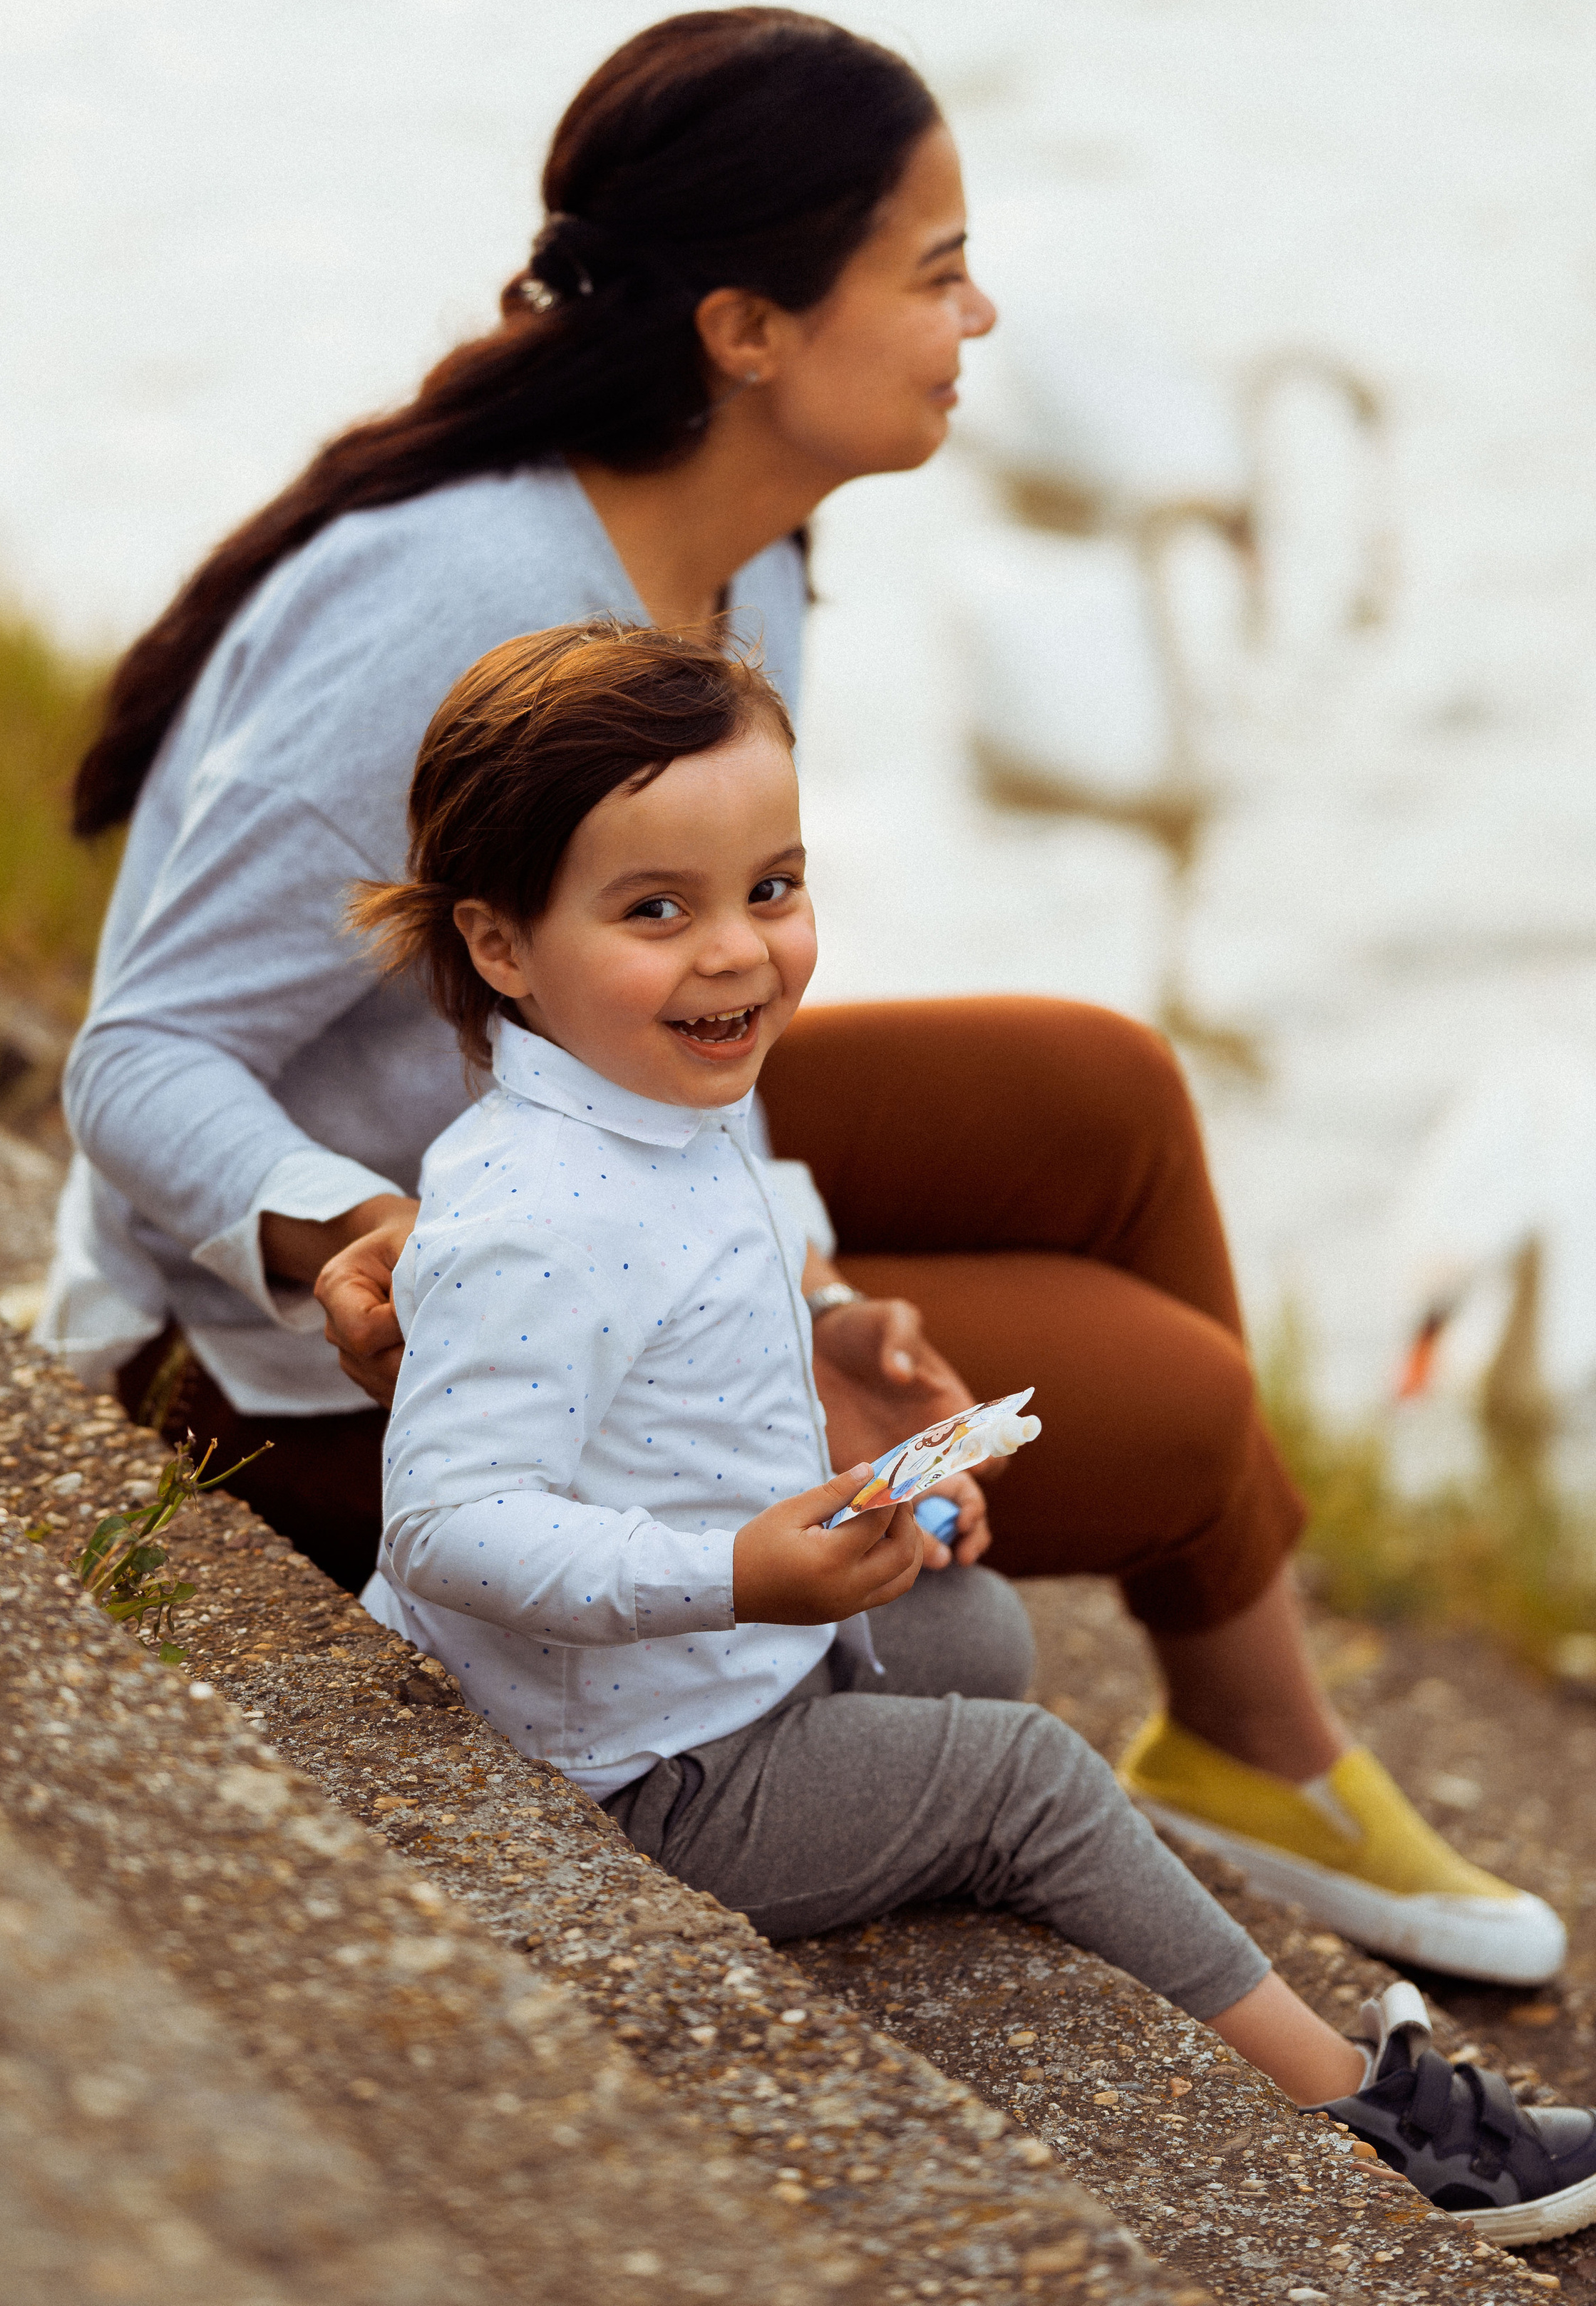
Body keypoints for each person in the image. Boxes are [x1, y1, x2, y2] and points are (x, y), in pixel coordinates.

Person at [42, 4, 1561, 1986]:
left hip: (605, 1159)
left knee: (1102, 1091)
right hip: (383, 1357)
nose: (983, 316)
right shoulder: (448, 597)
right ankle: (1253, 1736)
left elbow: (713, 1023)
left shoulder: (743, 573)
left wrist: (821, 1306)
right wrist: (341, 1224)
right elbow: (142, 1048)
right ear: (748, 326)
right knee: (1180, 1411)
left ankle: (1249, 1743)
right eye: (934, 273)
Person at [346, 616, 1596, 2245]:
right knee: (1025, 1770)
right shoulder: (533, 1209)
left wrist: (829, 1329)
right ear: (501, 945)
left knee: (977, 1629)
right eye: (656, 910)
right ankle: (1378, 2126)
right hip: (621, 1767)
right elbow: (444, 1521)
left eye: (771, 890)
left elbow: (683, 1313)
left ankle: (904, 1777)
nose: (736, 952)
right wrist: (739, 1570)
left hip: (688, 1676)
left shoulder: (654, 1093)